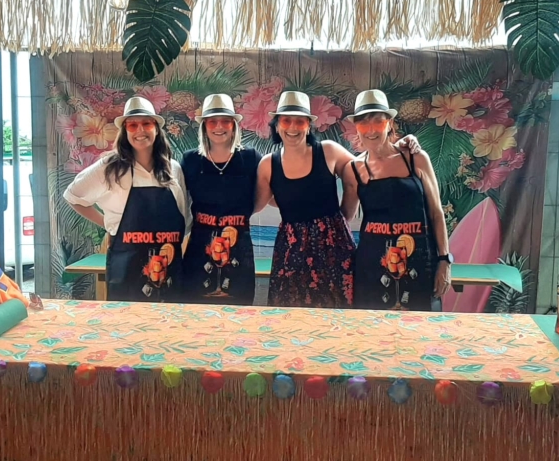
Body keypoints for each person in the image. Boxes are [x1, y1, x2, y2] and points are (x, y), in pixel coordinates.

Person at [255, 91, 422, 308]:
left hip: (334, 247)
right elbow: (258, 202)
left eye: (300, 121)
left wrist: (400, 146)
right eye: (286, 121)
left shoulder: (329, 151)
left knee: (341, 312)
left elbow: (370, 166)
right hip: (291, 252)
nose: (293, 127)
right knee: (290, 313)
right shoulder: (268, 164)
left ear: (309, 125)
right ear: (277, 126)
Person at [64, 96, 190, 302]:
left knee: (168, 320)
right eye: (133, 125)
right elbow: (73, 196)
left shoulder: (173, 168)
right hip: (127, 271)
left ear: (156, 128)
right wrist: (107, 224)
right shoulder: (109, 167)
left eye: (147, 123)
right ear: (125, 131)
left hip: (168, 270)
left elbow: (183, 218)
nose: (140, 130)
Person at [341, 90, 452, 310]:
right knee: (372, 327)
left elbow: (436, 213)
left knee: (421, 325)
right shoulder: (353, 169)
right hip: (372, 266)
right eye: (363, 123)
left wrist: (445, 260)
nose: (371, 130)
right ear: (356, 128)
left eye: (378, 121)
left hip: (420, 261)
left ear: (389, 123)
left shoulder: (416, 158)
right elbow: (344, 219)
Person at [180, 94, 262, 304]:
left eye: (225, 121)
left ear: (234, 125)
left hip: (239, 245)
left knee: (238, 309)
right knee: (194, 307)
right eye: (212, 121)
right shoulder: (190, 160)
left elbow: (261, 198)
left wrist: (238, 219)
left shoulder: (251, 158)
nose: (219, 126)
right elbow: (181, 202)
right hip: (199, 244)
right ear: (204, 126)